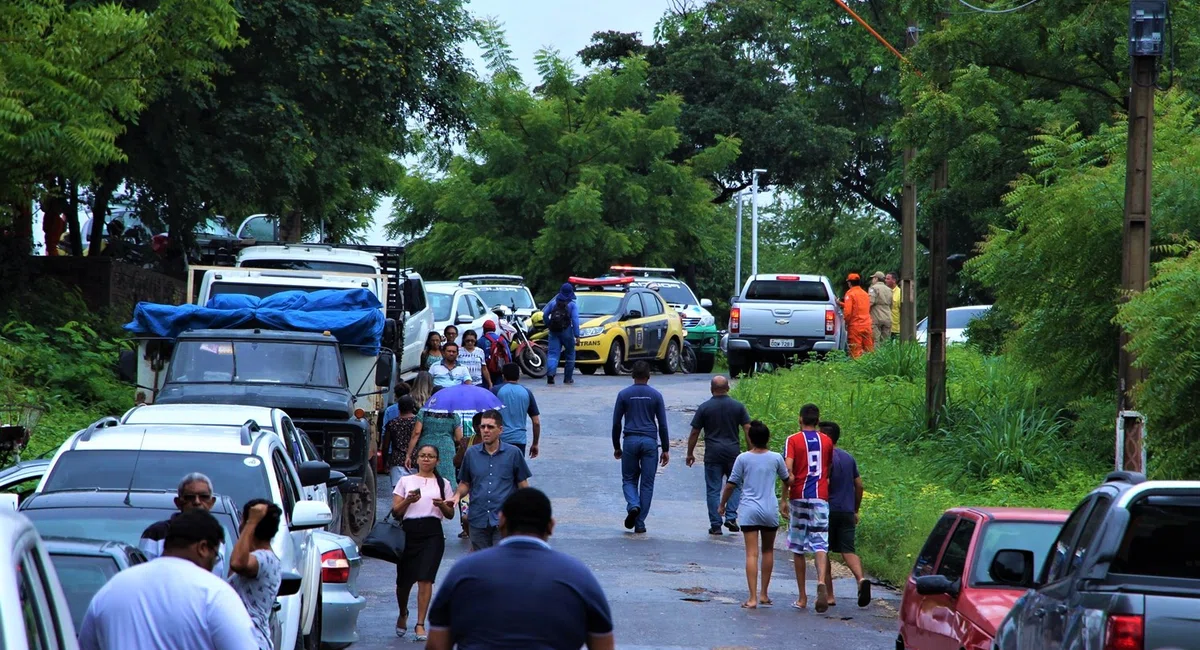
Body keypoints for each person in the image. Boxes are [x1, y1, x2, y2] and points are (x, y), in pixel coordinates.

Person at [426, 488, 614, 650]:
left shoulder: (465, 571)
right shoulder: (577, 575)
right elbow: (603, 642)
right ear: (550, 526)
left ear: (501, 521)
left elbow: (437, 644)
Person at [78, 510, 257, 650]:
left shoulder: (112, 589)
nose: (213, 563)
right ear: (203, 548)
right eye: (215, 557)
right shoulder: (215, 594)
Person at [719, 420, 792, 609]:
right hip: (769, 509)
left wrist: (722, 504)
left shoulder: (743, 458)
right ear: (768, 438)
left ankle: (751, 598)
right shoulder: (776, 458)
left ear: (750, 438)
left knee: (752, 554)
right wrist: (785, 498)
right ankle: (764, 594)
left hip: (749, 511)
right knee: (768, 551)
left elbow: (731, 484)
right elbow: (787, 479)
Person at [392, 444, 456, 641]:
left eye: (431, 456)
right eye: (423, 456)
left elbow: (451, 514)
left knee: (425, 578)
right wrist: (408, 501)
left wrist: (442, 506)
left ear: (437, 460)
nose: (426, 459)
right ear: (417, 459)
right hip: (409, 533)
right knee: (404, 582)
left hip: (432, 534)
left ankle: (420, 624)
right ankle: (403, 612)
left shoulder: (443, 483)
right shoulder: (405, 480)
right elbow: (396, 512)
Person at [445, 409, 532, 550]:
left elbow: (523, 485)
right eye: (483, 426)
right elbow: (465, 482)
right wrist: (456, 496)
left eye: (490, 427)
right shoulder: (471, 453)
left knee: (501, 562)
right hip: (478, 519)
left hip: (504, 519)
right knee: (481, 564)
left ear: (500, 430)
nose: (485, 430)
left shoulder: (513, 454)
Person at [781, 403, 835, 612]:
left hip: (798, 495)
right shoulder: (827, 441)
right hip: (820, 496)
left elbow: (788, 470)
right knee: (820, 543)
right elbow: (827, 468)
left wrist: (784, 498)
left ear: (800, 419)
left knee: (798, 547)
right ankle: (821, 581)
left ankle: (802, 597)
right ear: (818, 420)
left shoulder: (793, 440)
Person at [686, 375, 751, 535]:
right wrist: (751, 451)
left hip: (713, 454)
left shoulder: (704, 407)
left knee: (713, 489)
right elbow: (747, 428)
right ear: (728, 388)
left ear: (711, 389)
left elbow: (695, 432)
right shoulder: (738, 406)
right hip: (733, 453)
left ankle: (715, 524)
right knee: (736, 485)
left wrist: (690, 453)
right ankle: (730, 516)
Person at [612, 360, 669, 534]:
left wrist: (616, 446)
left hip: (630, 441)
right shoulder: (656, 395)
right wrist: (665, 448)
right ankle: (640, 522)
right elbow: (663, 425)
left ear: (632, 375)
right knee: (647, 483)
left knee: (628, 479)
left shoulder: (623, 394)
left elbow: (616, 423)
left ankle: (633, 505)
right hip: (650, 442)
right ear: (649, 376)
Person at [819, 421, 870, 608]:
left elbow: (825, 481)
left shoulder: (824, 458)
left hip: (827, 510)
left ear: (824, 437)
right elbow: (859, 485)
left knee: (822, 550)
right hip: (847, 511)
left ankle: (830, 595)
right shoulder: (848, 458)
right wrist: (855, 509)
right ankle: (861, 579)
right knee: (848, 550)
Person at [139, 472, 228, 577]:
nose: (197, 502)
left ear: (212, 502)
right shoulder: (156, 534)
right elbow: (143, 575)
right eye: (190, 497)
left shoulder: (217, 536)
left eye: (203, 497)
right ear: (178, 502)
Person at [228, 499, 284, 650]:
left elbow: (236, 563)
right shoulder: (259, 557)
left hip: (251, 641)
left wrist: (250, 523)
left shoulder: (264, 558)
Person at [493, 363, 541, 457]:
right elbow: (536, 422)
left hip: (500, 439)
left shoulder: (495, 390)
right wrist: (535, 444)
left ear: (503, 376)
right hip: (519, 440)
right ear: (518, 376)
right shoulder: (527, 392)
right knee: (516, 469)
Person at [406, 404, 463, 483]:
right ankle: (447, 493)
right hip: (447, 449)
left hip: (426, 447)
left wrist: (408, 454)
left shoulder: (424, 411)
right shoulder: (453, 414)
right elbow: (459, 438)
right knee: (447, 477)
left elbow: (416, 432)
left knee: (425, 474)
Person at [542, 282, 580, 385]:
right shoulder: (572, 305)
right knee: (570, 353)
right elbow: (575, 320)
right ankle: (568, 378)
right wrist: (577, 335)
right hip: (567, 332)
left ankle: (550, 374)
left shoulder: (553, 303)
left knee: (553, 354)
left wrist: (549, 324)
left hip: (553, 331)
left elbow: (545, 315)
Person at [383, 395, 419, 486]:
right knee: (414, 492)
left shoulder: (392, 423)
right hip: (415, 460)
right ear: (413, 407)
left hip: (396, 460)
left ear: (399, 407)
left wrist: (385, 461)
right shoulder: (418, 423)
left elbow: (386, 445)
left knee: (398, 492)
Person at [841, 273, 873, 359]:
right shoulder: (865, 294)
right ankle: (872, 369)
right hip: (867, 325)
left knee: (856, 351)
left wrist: (846, 323)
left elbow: (848, 312)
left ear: (849, 283)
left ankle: (857, 369)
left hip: (855, 326)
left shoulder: (850, 293)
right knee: (869, 350)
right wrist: (841, 303)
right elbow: (859, 307)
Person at [480, 320, 512, 389]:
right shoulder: (501, 339)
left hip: (486, 371)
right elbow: (509, 356)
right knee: (498, 390)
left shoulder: (481, 341)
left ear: (484, 329)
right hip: (499, 369)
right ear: (494, 329)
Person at [868, 271, 893, 346]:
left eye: (873, 278)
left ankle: (877, 357)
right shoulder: (889, 289)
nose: (872, 280)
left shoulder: (873, 288)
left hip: (876, 316)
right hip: (888, 316)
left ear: (876, 278)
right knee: (885, 341)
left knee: (875, 340)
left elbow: (870, 302)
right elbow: (892, 304)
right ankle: (886, 357)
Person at [886, 272, 900, 338]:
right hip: (885, 326)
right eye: (885, 279)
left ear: (894, 280)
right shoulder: (885, 292)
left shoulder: (899, 293)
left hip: (895, 328)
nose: (886, 280)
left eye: (888, 279)